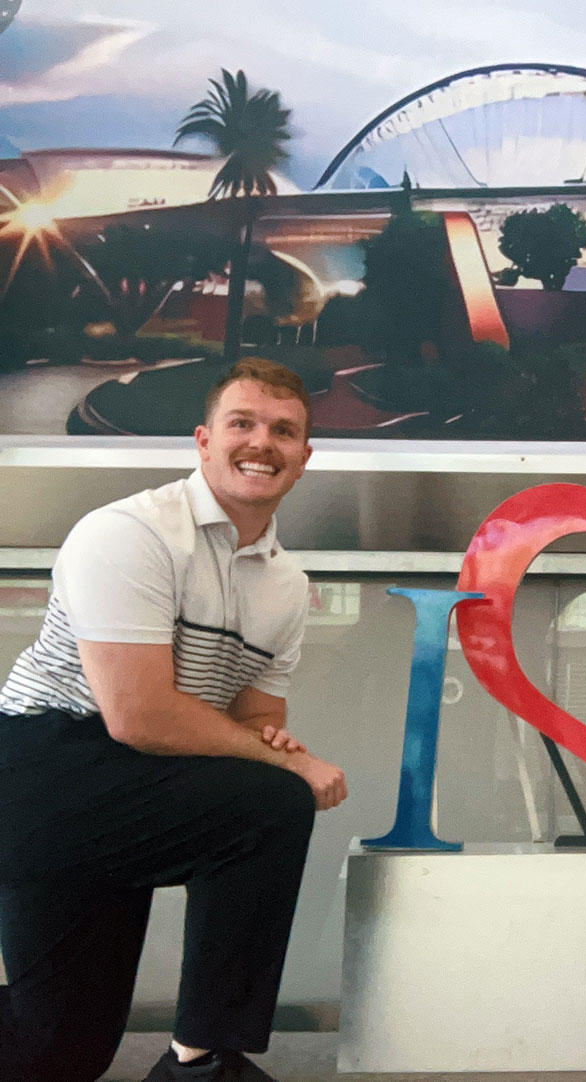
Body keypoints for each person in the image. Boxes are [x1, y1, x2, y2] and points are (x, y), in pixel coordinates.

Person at [0, 358, 347, 1082]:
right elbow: (138, 714)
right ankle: (201, 1062)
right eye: (242, 423)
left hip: (136, 785)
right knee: (271, 804)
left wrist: (270, 745)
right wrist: (288, 763)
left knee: (56, 1052)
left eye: (284, 431)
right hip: (40, 766)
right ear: (203, 440)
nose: (262, 442)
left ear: (304, 456)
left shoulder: (286, 586)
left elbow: (255, 719)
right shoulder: (129, 532)